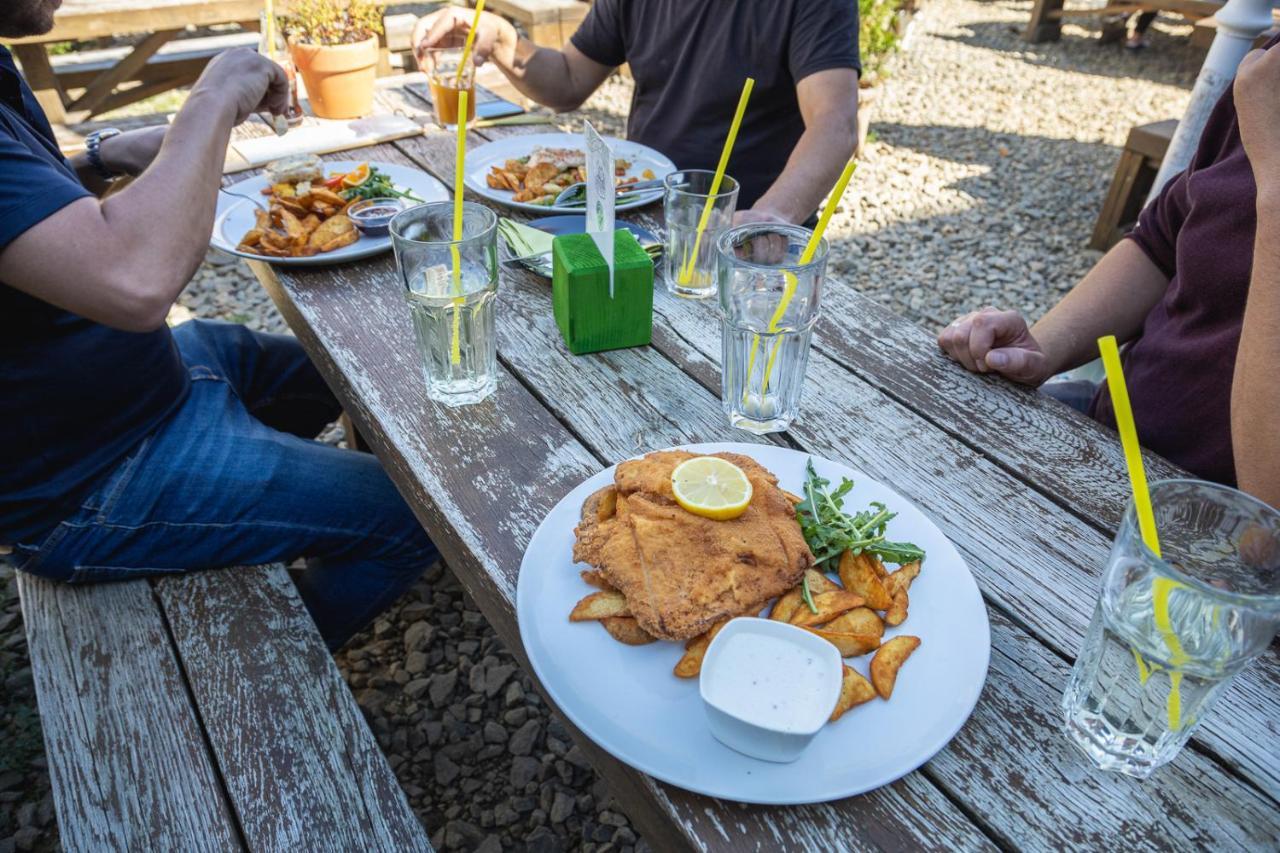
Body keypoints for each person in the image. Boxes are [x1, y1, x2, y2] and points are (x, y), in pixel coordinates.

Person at [0, 0, 437, 650]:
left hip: (149, 381)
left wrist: (104, 154)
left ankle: (310, 518)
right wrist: (208, 102)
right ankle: (269, 668)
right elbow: (135, 280)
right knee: (416, 512)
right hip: (93, 477)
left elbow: (24, 195)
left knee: (366, 373)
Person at [937, 36, 1280, 508]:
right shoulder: (1268, 71)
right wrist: (1041, 348)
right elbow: (1163, 240)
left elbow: (1268, 509)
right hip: (1110, 427)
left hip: (1211, 535)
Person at [411, 0, 860, 226]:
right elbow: (568, 80)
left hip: (737, 232)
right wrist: (499, 39)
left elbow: (835, 123)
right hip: (634, 215)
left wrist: (772, 217)